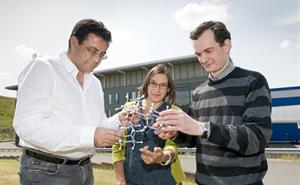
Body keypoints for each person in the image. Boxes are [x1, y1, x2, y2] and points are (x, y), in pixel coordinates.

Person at [155, 21, 272, 185]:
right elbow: (196, 138)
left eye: (208, 51)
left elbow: (257, 138)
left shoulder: (253, 81)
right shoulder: (199, 92)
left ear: (227, 45)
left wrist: (203, 127)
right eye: (198, 54)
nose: (203, 59)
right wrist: (176, 133)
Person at [13, 19, 128, 185]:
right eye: (92, 50)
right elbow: (28, 126)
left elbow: (97, 127)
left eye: (102, 54)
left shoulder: (94, 83)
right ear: (74, 41)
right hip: (46, 171)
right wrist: (90, 135)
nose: (97, 59)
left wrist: (119, 120)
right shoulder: (44, 68)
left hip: (84, 169)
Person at [112, 64, 185, 185]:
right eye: (153, 83)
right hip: (131, 180)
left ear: (168, 89)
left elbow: (173, 145)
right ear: (147, 84)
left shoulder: (174, 112)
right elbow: (117, 146)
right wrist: (120, 179)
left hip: (165, 180)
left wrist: (163, 157)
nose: (157, 89)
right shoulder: (129, 108)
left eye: (163, 85)